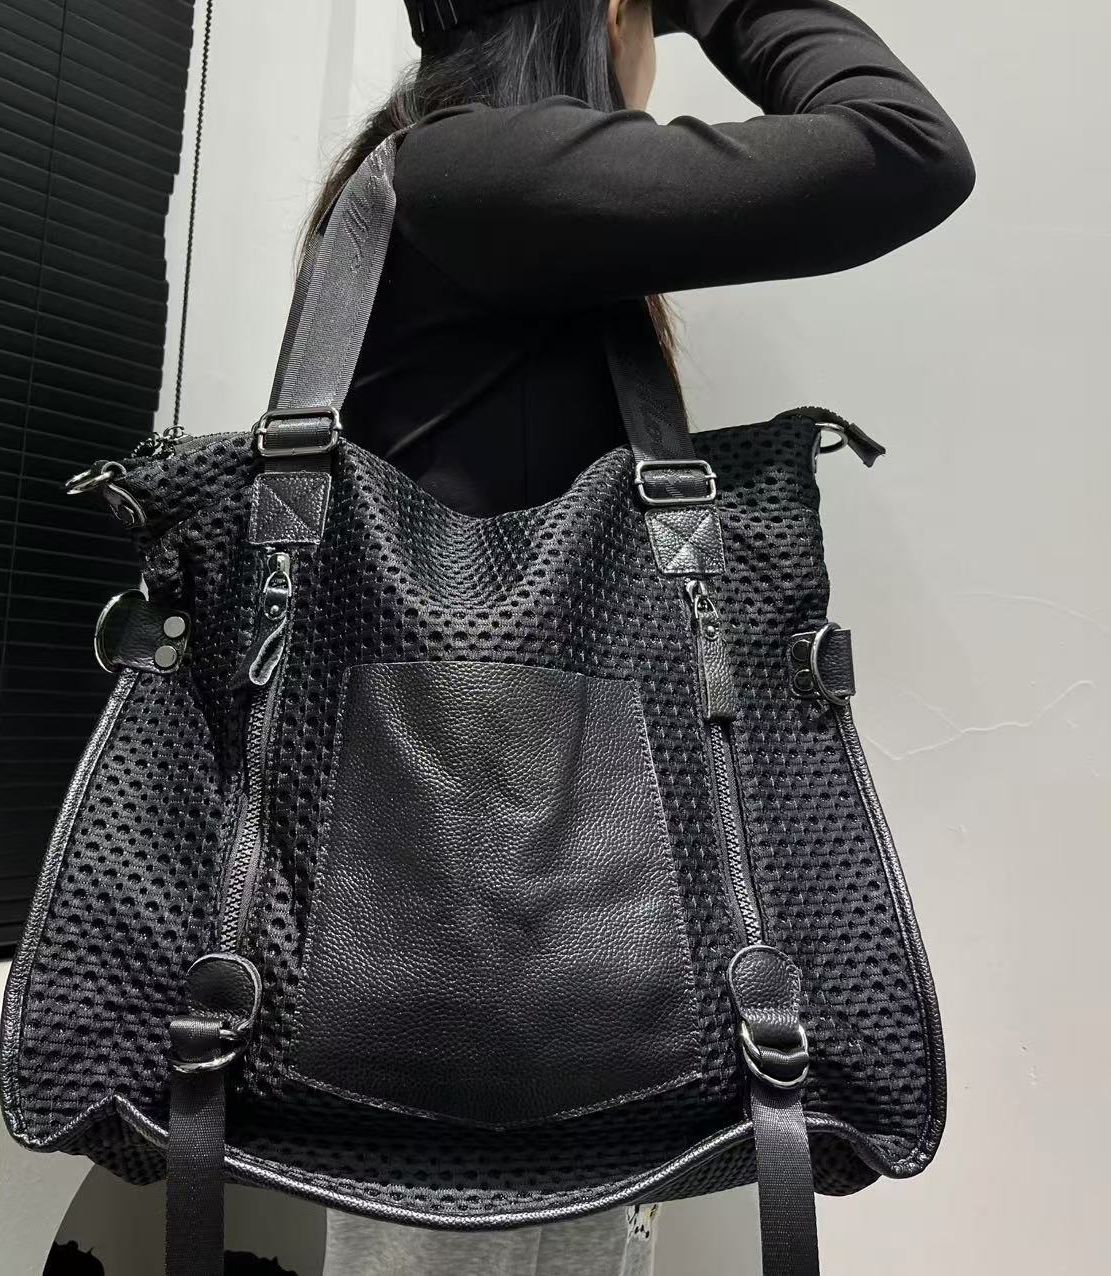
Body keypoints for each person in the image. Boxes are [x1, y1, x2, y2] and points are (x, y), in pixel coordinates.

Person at [310, 1, 974, 1272]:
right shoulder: (485, 172)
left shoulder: (450, 181)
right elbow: (903, 146)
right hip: (487, 934)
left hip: (486, 898)